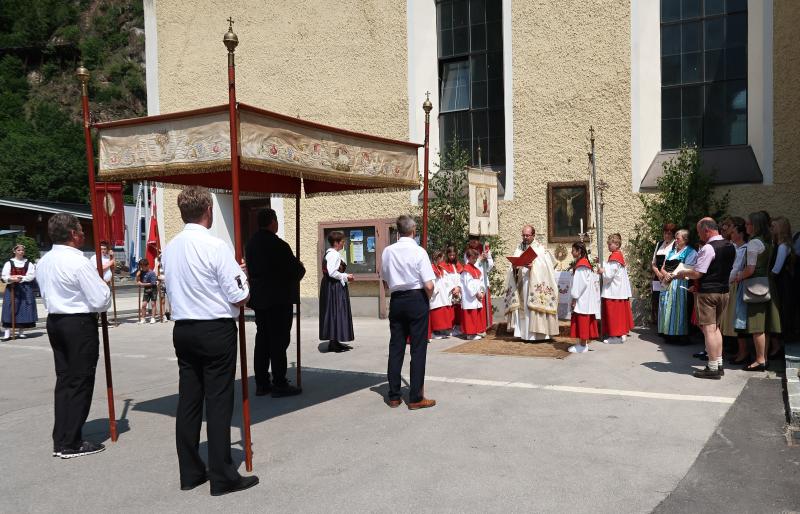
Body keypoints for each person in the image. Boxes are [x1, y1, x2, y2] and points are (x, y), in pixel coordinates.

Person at [162, 186, 258, 495]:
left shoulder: (171, 247)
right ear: (208, 211)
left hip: (184, 328)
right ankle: (222, 475)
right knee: (218, 402)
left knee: (189, 400)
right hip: (214, 328)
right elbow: (239, 295)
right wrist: (243, 277)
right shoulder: (215, 246)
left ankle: (190, 472)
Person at [36, 213, 111, 458]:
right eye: (80, 231)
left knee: (65, 380)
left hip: (56, 321)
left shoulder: (44, 261)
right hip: (77, 323)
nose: (83, 235)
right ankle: (71, 441)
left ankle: (62, 436)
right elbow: (101, 300)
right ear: (72, 235)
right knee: (80, 381)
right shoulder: (78, 262)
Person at [247, 208, 306, 396]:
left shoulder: (251, 243)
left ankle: (262, 383)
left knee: (262, 341)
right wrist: (300, 266)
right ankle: (280, 383)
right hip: (278, 300)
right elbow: (297, 271)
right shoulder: (278, 244)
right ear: (272, 222)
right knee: (278, 342)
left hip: (260, 300)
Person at [380, 215, 436, 410]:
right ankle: (415, 397)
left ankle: (394, 395)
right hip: (416, 298)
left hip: (397, 299)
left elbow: (385, 280)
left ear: (398, 231)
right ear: (413, 231)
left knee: (396, 347)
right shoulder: (419, 251)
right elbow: (429, 283)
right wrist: (428, 298)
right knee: (418, 349)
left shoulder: (388, 251)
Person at [675, 217, 735, 379]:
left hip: (708, 292)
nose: (699, 235)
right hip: (724, 291)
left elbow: (698, 273)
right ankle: (719, 363)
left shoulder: (709, 248)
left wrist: (683, 273)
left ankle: (712, 366)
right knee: (716, 328)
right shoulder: (730, 245)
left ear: (707, 230)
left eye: (700, 231)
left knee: (708, 330)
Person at [733, 212, 781, 371]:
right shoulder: (769, 241)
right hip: (768, 285)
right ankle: (764, 357)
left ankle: (760, 359)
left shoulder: (754, 243)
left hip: (755, 287)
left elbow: (750, 269)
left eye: (748, 223)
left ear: (755, 225)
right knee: (765, 326)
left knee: (756, 326)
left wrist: (739, 276)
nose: (745, 226)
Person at [503, 225, 559, 340]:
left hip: (534, 282)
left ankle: (537, 336)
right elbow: (513, 264)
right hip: (522, 282)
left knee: (533, 306)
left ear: (533, 235)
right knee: (523, 308)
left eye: (527, 235)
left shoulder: (540, 248)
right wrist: (514, 266)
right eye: (523, 235)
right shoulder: (519, 248)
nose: (525, 237)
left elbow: (547, 267)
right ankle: (524, 335)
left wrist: (533, 266)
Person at [658, 229, 698, 342]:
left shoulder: (690, 252)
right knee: (666, 308)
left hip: (679, 284)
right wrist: (666, 275)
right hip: (667, 283)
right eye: (675, 238)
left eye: (678, 238)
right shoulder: (672, 251)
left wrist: (672, 276)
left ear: (685, 240)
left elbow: (688, 270)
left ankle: (679, 335)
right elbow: (662, 267)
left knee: (677, 309)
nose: (675, 240)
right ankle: (668, 333)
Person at [318, 230, 354, 354]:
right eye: (342, 241)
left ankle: (335, 341)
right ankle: (333, 343)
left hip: (332, 286)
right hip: (333, 288)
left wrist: (344, 276)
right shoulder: (333, 254)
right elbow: (332, 272)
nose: (344, 243)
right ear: (336, 243)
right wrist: (345, 276)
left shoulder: (333, 254)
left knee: (335, 312)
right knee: (335, 312)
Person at [723, 217, 750, 364]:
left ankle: (743, 352)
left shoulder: (745, 248)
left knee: (738, 319)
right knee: (732, 320)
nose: (731, 235)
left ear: (740, 233)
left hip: (737, 285)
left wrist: (727, 281)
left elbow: (736, 269)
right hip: (732, 284)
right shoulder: (734, 247)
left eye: (733, 232)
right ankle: (740, 351)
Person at [598, 233, 634, 344]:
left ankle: (615, 337)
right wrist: (602, 263)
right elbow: (611, 269)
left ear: (617, 244)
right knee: (619, 315)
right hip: (619, 290)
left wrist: (602, 270)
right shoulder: (618, 255)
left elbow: (609, 275)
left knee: (614, 314)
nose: (608, 246)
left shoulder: (615, 257)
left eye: (610, 244)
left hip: (613, 291)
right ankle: (621, 333)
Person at [770, 216, 798, 352]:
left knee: (782, 310)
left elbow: (776, 269)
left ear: (780, 229)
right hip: (781, 282)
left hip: (782, 283)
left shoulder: (783, 246)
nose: (771, 229)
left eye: (774, 226)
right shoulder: (780, 245)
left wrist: (767, 280)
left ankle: (781, 343)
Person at [568, 242, 600, 354]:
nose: (572, 252)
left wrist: (574, 297)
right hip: (585, 297)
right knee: (583, 320)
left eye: (573, 250)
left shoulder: (581, 265)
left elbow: (579, 284)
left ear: (579, 251)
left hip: (583, 298)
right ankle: (582, 343)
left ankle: (582, 345)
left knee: (582, 320)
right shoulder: (584, 263)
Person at [1, 243, 38, 340]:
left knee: (23, 308)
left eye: (22, 250)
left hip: (25, 288)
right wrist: (11, 278)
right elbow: (4, 276)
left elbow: (32, 275)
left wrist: (22, 278)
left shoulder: (28, 263)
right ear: (14, 251)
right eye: (19, 250)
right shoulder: (9, 263)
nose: (21, 252)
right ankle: (7, 333)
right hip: (12, 288)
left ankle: (21, 332)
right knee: (10, 309)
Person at [650, 224, 676, 329]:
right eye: (665, 233)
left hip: (668, 276)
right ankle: (659, 326)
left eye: (669, 233)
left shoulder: (675, 244)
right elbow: (653, 263)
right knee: (657, 300)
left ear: (673, 234)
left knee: (667, 301)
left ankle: (667, 326)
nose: (667, 235)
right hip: (658, 276)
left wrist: (664, 275)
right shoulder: (659, 244)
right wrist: (658, 274)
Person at [465, 237, 494, 329]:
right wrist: (479, 259)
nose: (474, 242)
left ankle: (487, 325)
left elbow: (490, 267)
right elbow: (469, 266)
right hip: (475, 282)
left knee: (485, 305)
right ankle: (479, 326)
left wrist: (488, 258)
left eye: (475, 240)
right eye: (472, 240)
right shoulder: (467, 252)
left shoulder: (484, 249)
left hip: (484, 280)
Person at [460, 248, 486, 340]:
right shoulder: (466, 269)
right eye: (473, 258)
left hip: (477, 296)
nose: (475, 260)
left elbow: (481, 281)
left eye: (476, 258)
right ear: (468, 257)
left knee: (475, 314)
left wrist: (482, 291)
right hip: (469, 297)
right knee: (470, 314)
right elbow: (468, 284)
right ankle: (470, 334)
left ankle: (474, 332)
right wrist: (476, 293)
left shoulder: (476, 269)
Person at [429, 250, 454, 340]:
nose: (442, 260)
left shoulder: (440, 268)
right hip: (436, 294)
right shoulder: (431, 268)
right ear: (437, 258)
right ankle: (435, 331)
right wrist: (435, 290)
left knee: (442, 312)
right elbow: (431, 281)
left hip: (443, 294)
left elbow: (447, 279)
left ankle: (440, 330)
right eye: (441, 258)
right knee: (436, 311)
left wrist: (452, 287)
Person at [442, 245, 463, 335]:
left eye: (454, 255)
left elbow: (461, 277)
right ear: (447, 255)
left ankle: (457, 327)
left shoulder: (458, 264)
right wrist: (453, 288)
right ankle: (449, 328)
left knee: (458, 309)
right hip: (450, 290)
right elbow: (445, 279)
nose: (452, 257)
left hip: (458, 289)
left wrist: (458, 287)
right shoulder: (443, 265)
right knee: (450, 309)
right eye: (450, 255)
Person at [135, 258, 158, 324]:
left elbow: (153, 283)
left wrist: (142, 284)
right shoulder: (141, 272)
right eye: (141, 267)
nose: (142, 268)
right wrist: (137, 275)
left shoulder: (152, 273)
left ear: (147, 265)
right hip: (146, 290)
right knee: (144, 305)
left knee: (153, 303)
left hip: (153, 289)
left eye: (143, 267)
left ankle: (153, 317)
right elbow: (137, 281)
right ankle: (143, 318)